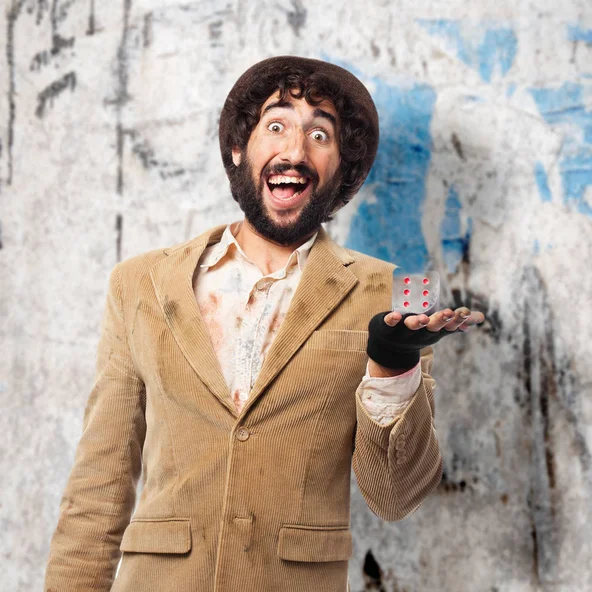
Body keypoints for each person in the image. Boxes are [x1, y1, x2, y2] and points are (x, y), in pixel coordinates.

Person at [45, 56, 485, 592]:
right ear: (238, 148)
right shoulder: (139, 284)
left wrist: (393, 368)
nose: (295, 151)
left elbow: (395, 497)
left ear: (342, 168)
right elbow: (98, 485)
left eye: (320, 134)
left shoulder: (386, 295)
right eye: (275, 126)